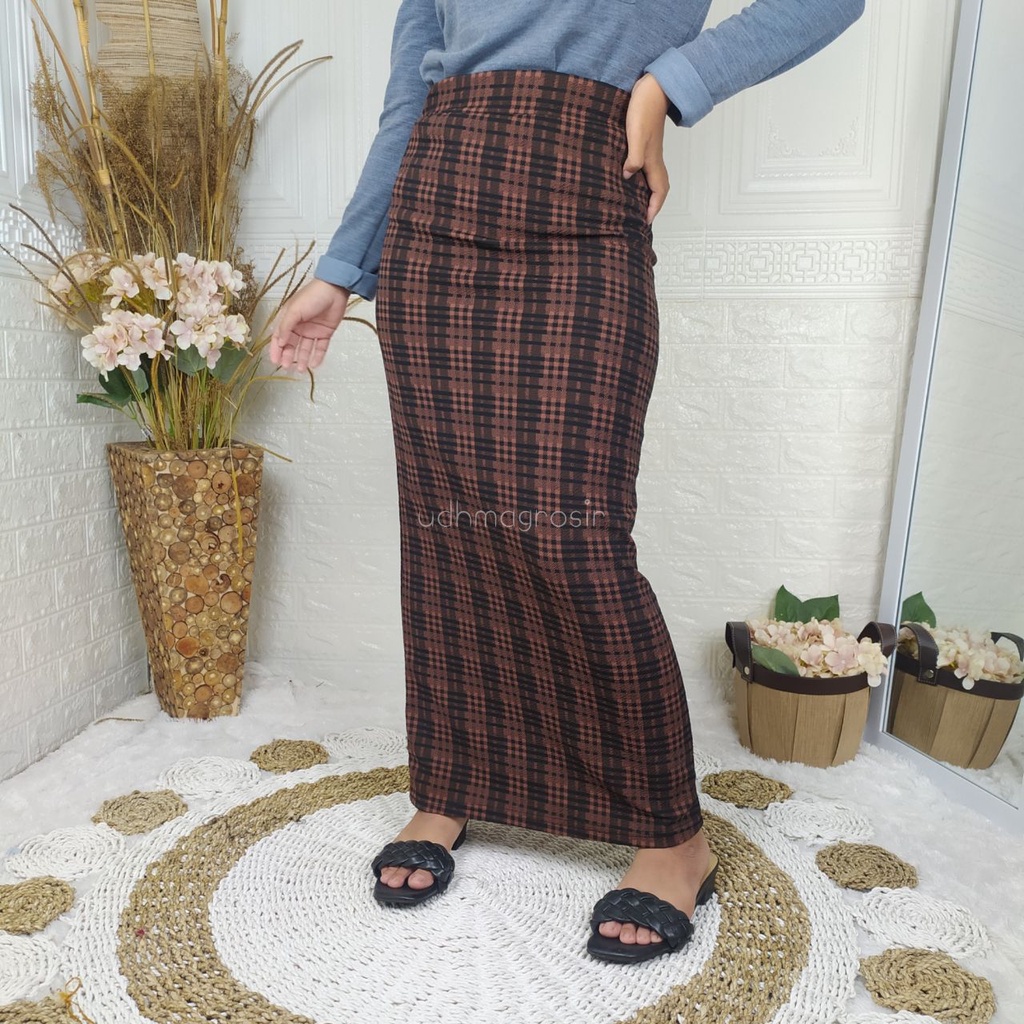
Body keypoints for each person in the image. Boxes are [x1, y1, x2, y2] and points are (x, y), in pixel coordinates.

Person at [270, 0, 865, 964]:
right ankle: (453, 782)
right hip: (436, 205)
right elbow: (411, 92)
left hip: (586, 191)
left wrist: (671, 83)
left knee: (575, 535)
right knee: (451, 528)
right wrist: (342, 268)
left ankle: (673, 837)